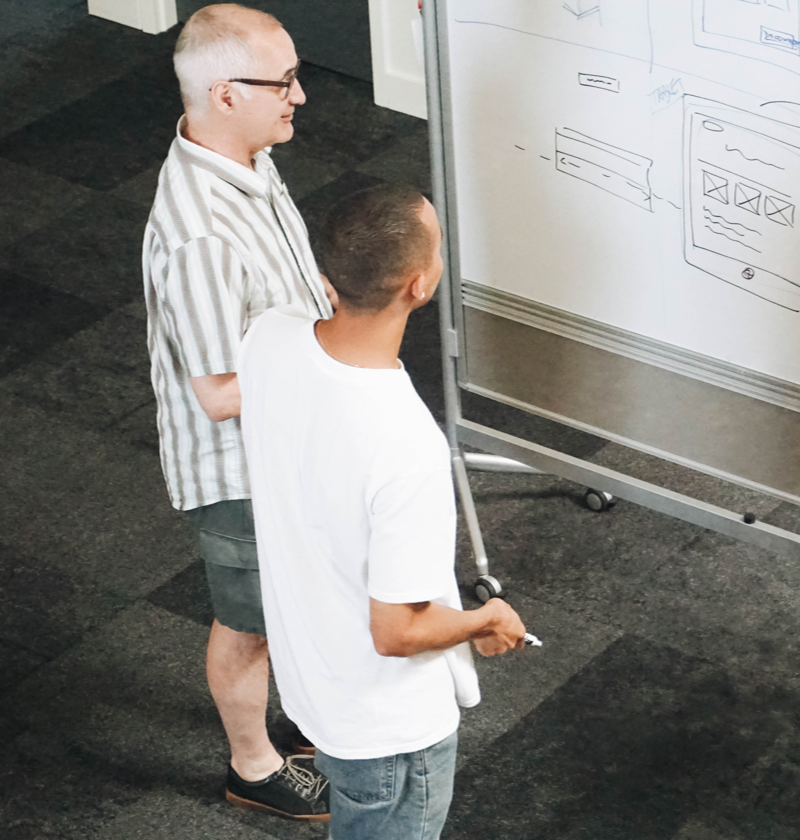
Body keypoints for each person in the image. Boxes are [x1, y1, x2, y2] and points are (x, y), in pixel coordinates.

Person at [238, 184, 527, 840]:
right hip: (391, 732)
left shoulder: (268, 339)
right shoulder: (407, 445)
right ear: (418, 287)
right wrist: (484, 618)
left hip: (317, 684)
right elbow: (396, 631)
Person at [142, 3, 335, 820]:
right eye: (284, 81)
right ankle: (252, 766)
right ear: (226, 93)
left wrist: (313, 296)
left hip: (287, 438)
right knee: (249, 621)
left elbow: (279, 268)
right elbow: (220, 395)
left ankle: (289, 718)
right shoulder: (202, 240)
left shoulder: (246, 152)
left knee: (294, 595)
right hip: (240, 469)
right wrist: (338, 369)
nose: (300, 96)